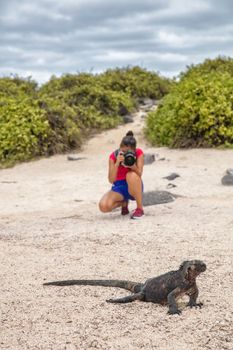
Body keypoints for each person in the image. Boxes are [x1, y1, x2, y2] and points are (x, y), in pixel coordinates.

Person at [99, 130, 144, 219]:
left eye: (129, 152)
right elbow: (111, 180)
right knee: (103, 206)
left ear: (134, 150)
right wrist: (117, 164)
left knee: (130, 175)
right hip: (119, 188)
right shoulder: (113, 157)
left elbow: (139, 174)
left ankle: (139, 208)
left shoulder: (138, 153)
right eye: (124, 152)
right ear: (120, 148)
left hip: (134, 185)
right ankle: (124, 203)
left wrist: (132, 166)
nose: (126, 155)